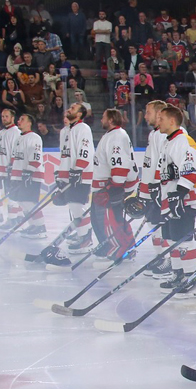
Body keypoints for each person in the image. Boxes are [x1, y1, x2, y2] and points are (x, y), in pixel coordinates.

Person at [151, 104, 196, 298]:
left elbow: (191, 171)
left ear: (172, 121)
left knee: (184, 239)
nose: (158, 122)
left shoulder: (183, 141)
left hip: (184, 200)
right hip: (170, 198)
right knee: (172, 238)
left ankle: (191, 278)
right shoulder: (168, 141)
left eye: (161, 119)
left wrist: (178, 194)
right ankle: (179, 273)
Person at [46, 101, 95, 265]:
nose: (68, 109)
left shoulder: (83, 129)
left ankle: (86, 238)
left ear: (80, 113)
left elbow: (85, 151)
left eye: (73, 108)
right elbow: (64, 155)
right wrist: (61, 174)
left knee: (77, 205)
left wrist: (78, 169)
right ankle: (82, 233)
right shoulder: (66, 130)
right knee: (73, 206)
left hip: (80, 175)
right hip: (69, 174)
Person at [89, 108, 135, 261]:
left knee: (110, 219)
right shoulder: (112, 135)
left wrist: (115, 187)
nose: (101, 119)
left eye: (103, 117)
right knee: (102, 218)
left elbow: (120, 163)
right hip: (105, 185)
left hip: (111, 186)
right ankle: (114, 245)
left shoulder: (116, 136)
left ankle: (120, 246)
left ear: (110, 120)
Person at [135, 100, 172, 278]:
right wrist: (143, 191)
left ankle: (168, 260)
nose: (146, 116)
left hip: (160, 190)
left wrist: (158, 187)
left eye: (148, 112)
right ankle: (160, 257)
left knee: (162, 226)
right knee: (154, 225)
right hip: (152, 189)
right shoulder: (154, 134)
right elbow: (150, 166)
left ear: (159, 115)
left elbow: (162, 165)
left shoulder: (164, 135)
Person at [12, 113, 48, 239]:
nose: (19, 121)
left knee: (29, 202)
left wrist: (29, 171)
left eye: (22, 119)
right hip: (20, 175)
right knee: (22, 201)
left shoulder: (34, 137)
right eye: (19, 119)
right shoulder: (19, 138)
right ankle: (33, 224)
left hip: (31, 176)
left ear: (29, 123)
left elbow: (36, 156)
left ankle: (41, 227)